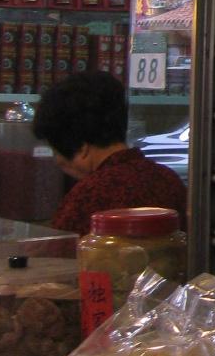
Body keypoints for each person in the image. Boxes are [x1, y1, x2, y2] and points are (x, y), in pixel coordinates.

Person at [35, 71, 187, 236]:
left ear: (82, 148)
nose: (58, 162)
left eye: (57, 154)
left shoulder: (87, 198)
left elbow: (58, 249)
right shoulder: (169, 181)